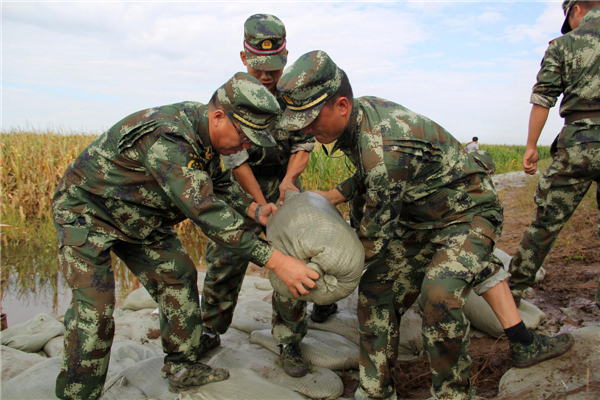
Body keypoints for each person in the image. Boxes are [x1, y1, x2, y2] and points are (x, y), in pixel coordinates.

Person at [276, 51, 574, 400]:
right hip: (419, 218)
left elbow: (371, 240)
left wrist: (319, 271)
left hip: (467, 214)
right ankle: (375, 391)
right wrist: (334, 194)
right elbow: (367, 176)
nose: (305, 130)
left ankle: (453, 393)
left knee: (439, 294)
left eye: (311, 119)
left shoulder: (384, 146)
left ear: (341, 105)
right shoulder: (362, 117)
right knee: (376, 293)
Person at [52, 72, 319, 400]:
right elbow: (208, 213)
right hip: (88, 215)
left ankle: (182, 366)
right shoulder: (170, 138)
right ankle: (78, 395)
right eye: (244, 136)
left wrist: (254, 210)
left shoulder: (204, 132)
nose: (246, 146)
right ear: (219, 117)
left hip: (141, 219)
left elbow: (219, 184)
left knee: (177, 275)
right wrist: (277, 262)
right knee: (94, 315)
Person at [200, 14, 338, 378]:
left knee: (293, 261)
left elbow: (304, 144)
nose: (267, 76)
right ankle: (211, 328)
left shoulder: (295, 94)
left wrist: (289, 184)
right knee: (225, 257)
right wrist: (260, 204)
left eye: (274, 68)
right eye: (259, 68)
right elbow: (234, 159)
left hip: (286, 185)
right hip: (242, 189)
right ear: (244, 58)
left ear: (285, 57)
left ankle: (289, 339)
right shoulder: (228, 97)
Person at [509, 0, 600, 309]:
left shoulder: (564, 45)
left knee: (546, 221)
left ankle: (513, 293)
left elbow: (543, 99)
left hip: (580, 145)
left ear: (576, 9)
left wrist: (531, 146)